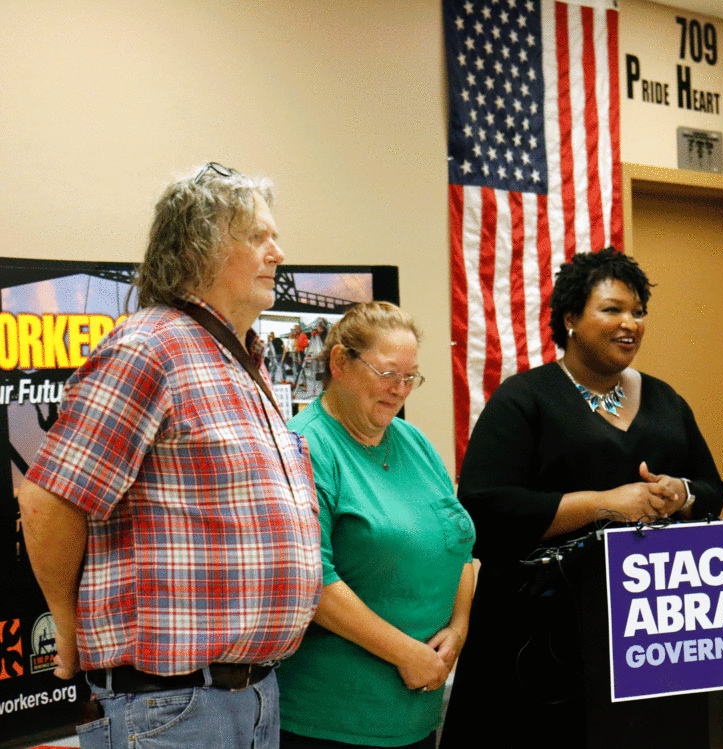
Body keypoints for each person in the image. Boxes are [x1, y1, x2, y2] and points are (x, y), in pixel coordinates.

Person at [17, 162, 322, 748]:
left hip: (252, 694)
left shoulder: (239, 361)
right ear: (202, 247)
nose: (278, 253)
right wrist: (68, 628)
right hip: (169, 704)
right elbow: (49, 497)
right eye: (259, 237)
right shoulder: (149, 348)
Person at [439, 247, 723, 748]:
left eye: (638, 312)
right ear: (571, 318)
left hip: (653, 633)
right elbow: (485, 510)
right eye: (612, 309)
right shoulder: (524, 400)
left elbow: (711, 490)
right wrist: (606, 503)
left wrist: (676, 494)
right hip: (545, 638)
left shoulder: (665, 400)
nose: (630, 324)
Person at [278, 302, 476, 749]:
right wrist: (406, 653)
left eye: (410, 377)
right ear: (340, 363)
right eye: (387, 373)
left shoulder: (414, 441)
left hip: (416, 711)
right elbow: (314, 583)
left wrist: (459, 628)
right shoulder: (304, 445)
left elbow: (459, 544)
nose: (400, 389)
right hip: (334, 717)